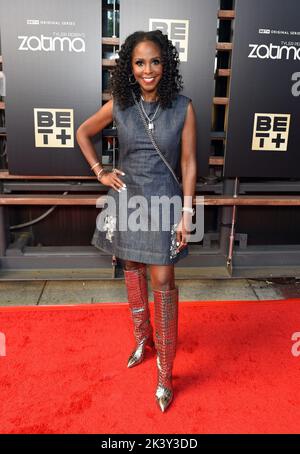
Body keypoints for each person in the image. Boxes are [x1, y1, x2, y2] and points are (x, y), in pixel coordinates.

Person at [76, 30, 197, 412]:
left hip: (164, 202)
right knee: (131, 268)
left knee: (163, 279)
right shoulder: (120, 105)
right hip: (127, 201)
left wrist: (187, 212)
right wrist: (100, 171)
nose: (148, 70)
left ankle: (165, 370)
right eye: (140, 62)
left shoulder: (183, 107)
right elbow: (83, 132)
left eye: (155, 61)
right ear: (130, 67)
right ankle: (142, 338)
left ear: (166, 64)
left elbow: (190, 163)